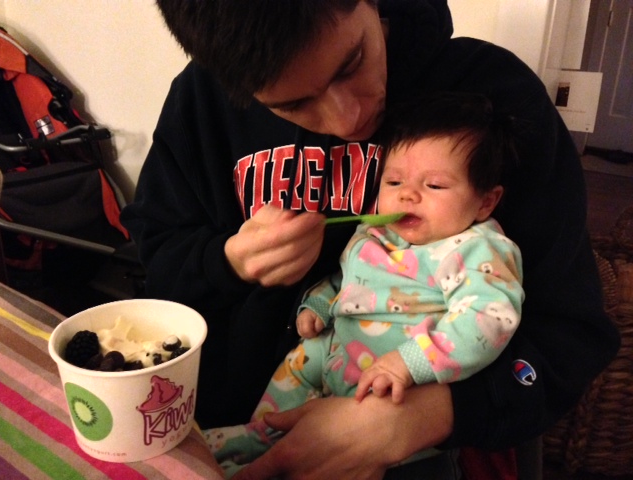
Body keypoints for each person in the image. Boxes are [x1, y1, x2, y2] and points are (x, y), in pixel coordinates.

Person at [121, 1, 621, 478]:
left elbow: (568, 338)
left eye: (352, 63)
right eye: (293, 104)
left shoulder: (490, 94)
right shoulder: (201, 102)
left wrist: (415, 419)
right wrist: (229, 261)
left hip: (423, 441)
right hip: (234, 422)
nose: (347, 120)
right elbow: (160, 256)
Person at [204, 92, 525, 477]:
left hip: (394, 397)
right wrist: (320, 303)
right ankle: (250, 444)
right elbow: (349, 279)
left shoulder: (475, 249)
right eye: (394, 181)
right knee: (283, 406)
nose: (407, 194)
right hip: (328, 358)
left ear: (485, 202)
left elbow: (488, 318)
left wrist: (412, 361)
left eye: (435, 186)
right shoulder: (374, 234)